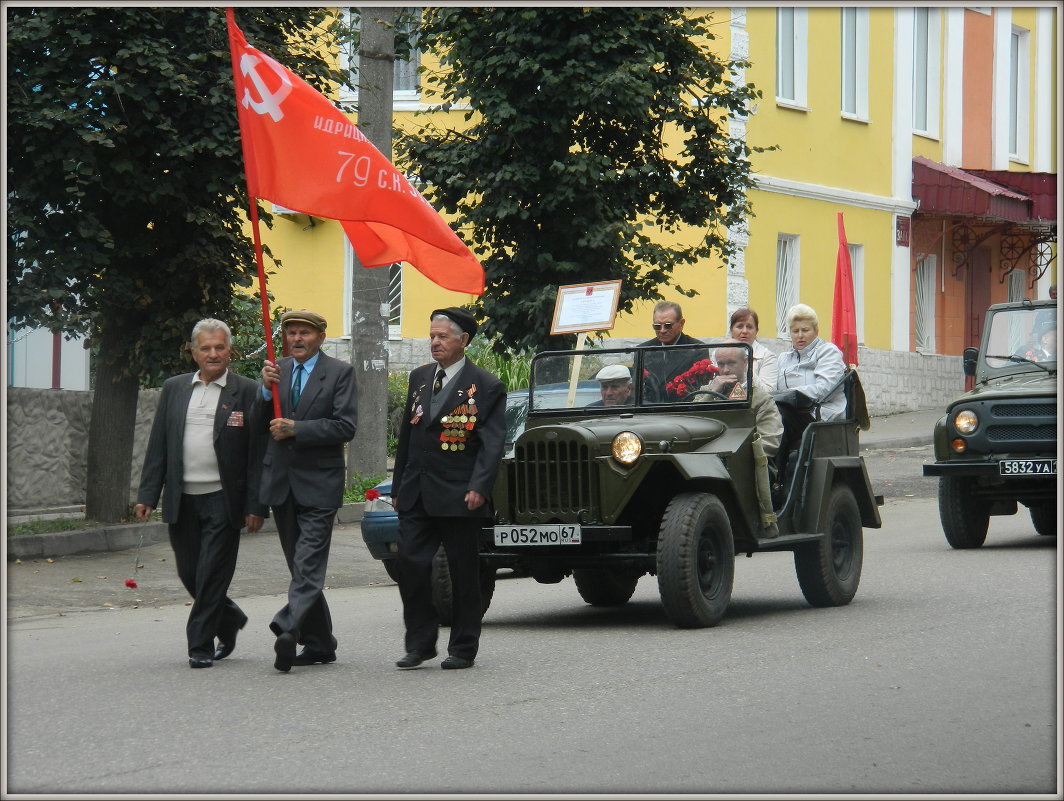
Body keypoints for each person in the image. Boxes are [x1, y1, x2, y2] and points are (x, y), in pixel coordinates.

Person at [135, 319, 268, 669]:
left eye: (220, 347)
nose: (213, 354)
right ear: (193, 352)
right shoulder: (175, 388)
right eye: (206, 348)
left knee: (211, 575)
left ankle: (200, 645)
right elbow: (159, 446)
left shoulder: (248, 390)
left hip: (225, 500)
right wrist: (147, 494)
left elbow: (257, 456)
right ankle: (230, 618)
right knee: (190, 573)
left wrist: (256, 505)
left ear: (230, 351)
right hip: (182, 499)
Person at [392, 307, 506, 671]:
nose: (435, 342)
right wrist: (397, 487)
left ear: (463, 341)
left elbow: (492, 443)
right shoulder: (420, 378)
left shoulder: (486, 385)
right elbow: (408, 436)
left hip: (460, 495)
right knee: (410, 564)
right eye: (432, 336)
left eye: (442, 336)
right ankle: (420, 642)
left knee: (463, 574)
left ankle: (463, 646)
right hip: (417, 492)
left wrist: (480, 487)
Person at [258, 309, 357, 672]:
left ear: (320, 337)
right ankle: (319, 643)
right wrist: (262, 389)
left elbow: (345, 426)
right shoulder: (276, 370)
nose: (297, 339)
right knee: (299, 566)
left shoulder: (340, 373)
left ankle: (288, 625)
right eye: (291, 333)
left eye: (304, 333)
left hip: (320, 484)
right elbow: (259, 421)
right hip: (282, 483)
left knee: (307, 563)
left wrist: (297, 428)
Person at [695, 342, 783, 461]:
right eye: (721, 364)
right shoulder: (704, 393)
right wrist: (712, 394)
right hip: (703, 460)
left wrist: (734, 457)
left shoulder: (761, 399)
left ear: (745, 362)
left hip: (746, 465)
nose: (725, 370)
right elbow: (692, 422)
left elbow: (770, 442)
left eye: (731, 363)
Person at [775, 303, 847, 422]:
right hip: (789, 412)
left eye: (805, 330)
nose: (800, 335)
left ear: (816, 331)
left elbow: (823, 389)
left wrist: (788, 396)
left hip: (821, 414)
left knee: (776, 419)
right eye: (795, 331)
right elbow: (773, 389)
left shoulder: (828, 352)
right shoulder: (783, 358)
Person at [638, 301, 709, 400]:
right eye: (657, 326)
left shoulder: (697, 350)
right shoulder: (643, 351)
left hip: (683, 409)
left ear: (681, 323)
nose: (662, 330)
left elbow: (701, 388)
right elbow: (637, 388)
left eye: (668, 325)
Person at [726, 307, 778, 393]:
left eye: (749, 327)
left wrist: (744, 365)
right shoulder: (719, 354)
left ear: (756, 331)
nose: (745, 331)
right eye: (739, 326)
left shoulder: (767, 356)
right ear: (731, 330)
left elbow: (769, 392)